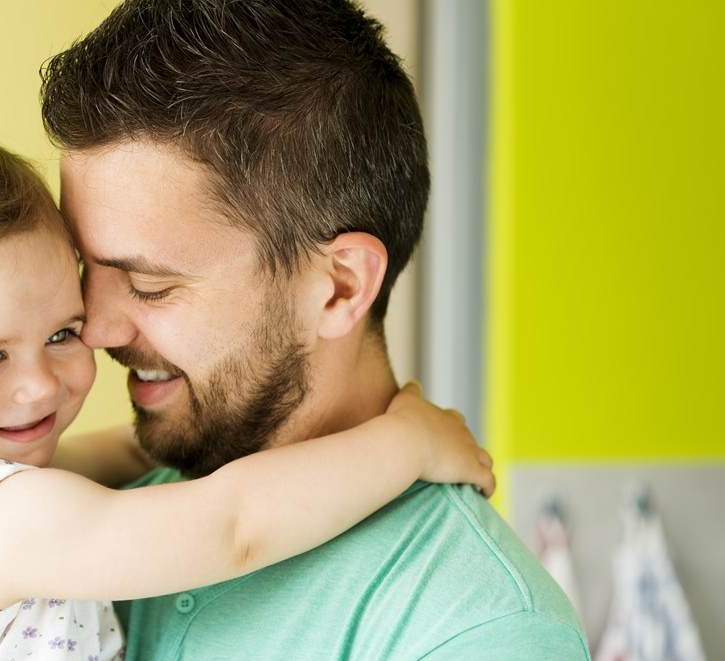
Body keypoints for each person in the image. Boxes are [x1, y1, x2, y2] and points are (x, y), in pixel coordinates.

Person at [0, 119, 495, 660]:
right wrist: (406, 441)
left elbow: (114, 454)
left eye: (61, 332)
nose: (39, 385)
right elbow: (234, 528)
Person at [40, 0, 592, 659]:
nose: (94, 328)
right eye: (85, 267)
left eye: (149, 282)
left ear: (340, 286)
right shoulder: (90, 524)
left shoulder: (478, 631)